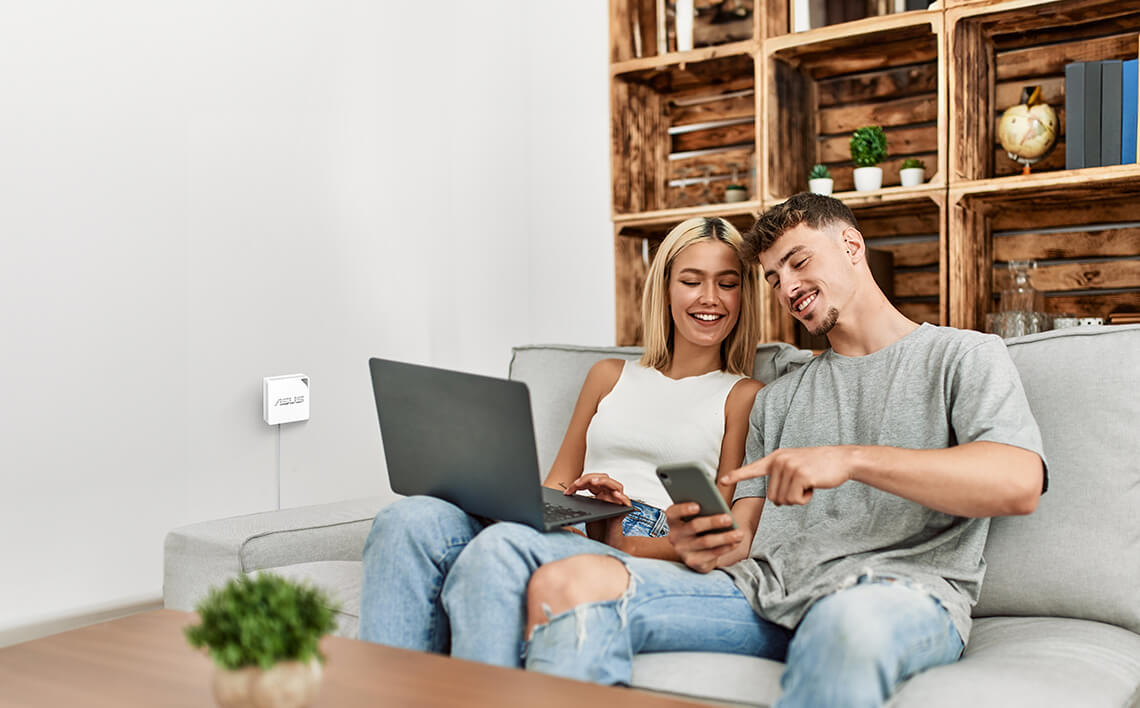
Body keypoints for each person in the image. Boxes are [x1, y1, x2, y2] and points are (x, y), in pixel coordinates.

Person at [520, 193, 1047, 707]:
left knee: (845, 624)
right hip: (758, 594)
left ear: (852, 246)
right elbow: (741, 538)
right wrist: (689, 538)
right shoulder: (776, 400)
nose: (788, 287)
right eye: (774, 279)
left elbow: (1017, 482)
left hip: (893, 593)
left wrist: (850, 459)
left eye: (798, 262)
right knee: (566, 582)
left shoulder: (964, 356)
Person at [358, 216, 764, 666]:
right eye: (692, 281)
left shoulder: (742, 396)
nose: (710, 298)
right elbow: (557, 481)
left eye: (728, 284)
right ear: (665, 288)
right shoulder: (608, 375)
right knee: (407, 520)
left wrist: (619, 534)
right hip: (572, 521)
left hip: (646, 536)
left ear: (743, 296)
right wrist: (551, 508)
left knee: (498, 550)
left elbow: (718, 529)